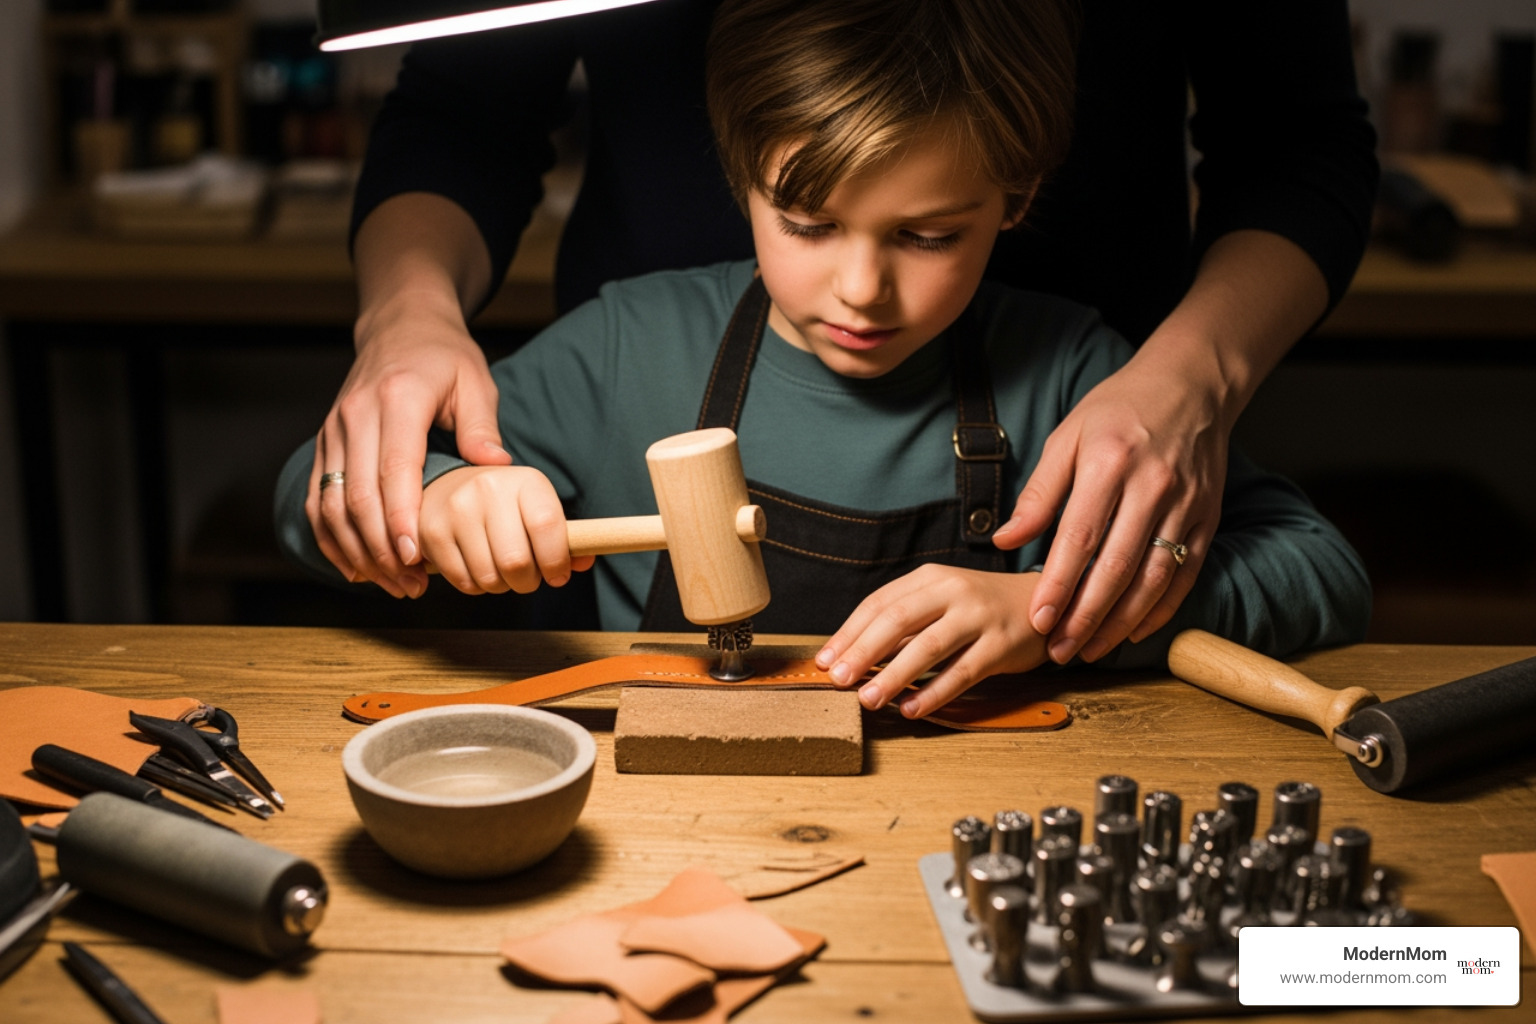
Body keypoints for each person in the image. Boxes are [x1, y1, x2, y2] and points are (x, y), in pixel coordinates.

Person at [277, 0, 1371, 718]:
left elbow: (1317, 570)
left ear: (1017, 199)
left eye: (929, 234)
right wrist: (444, 499)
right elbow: (310, 494)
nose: (861, 288)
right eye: (806, 221)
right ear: (739, 172)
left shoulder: (1072, 377)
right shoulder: (628, 351)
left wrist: (1048, 614)